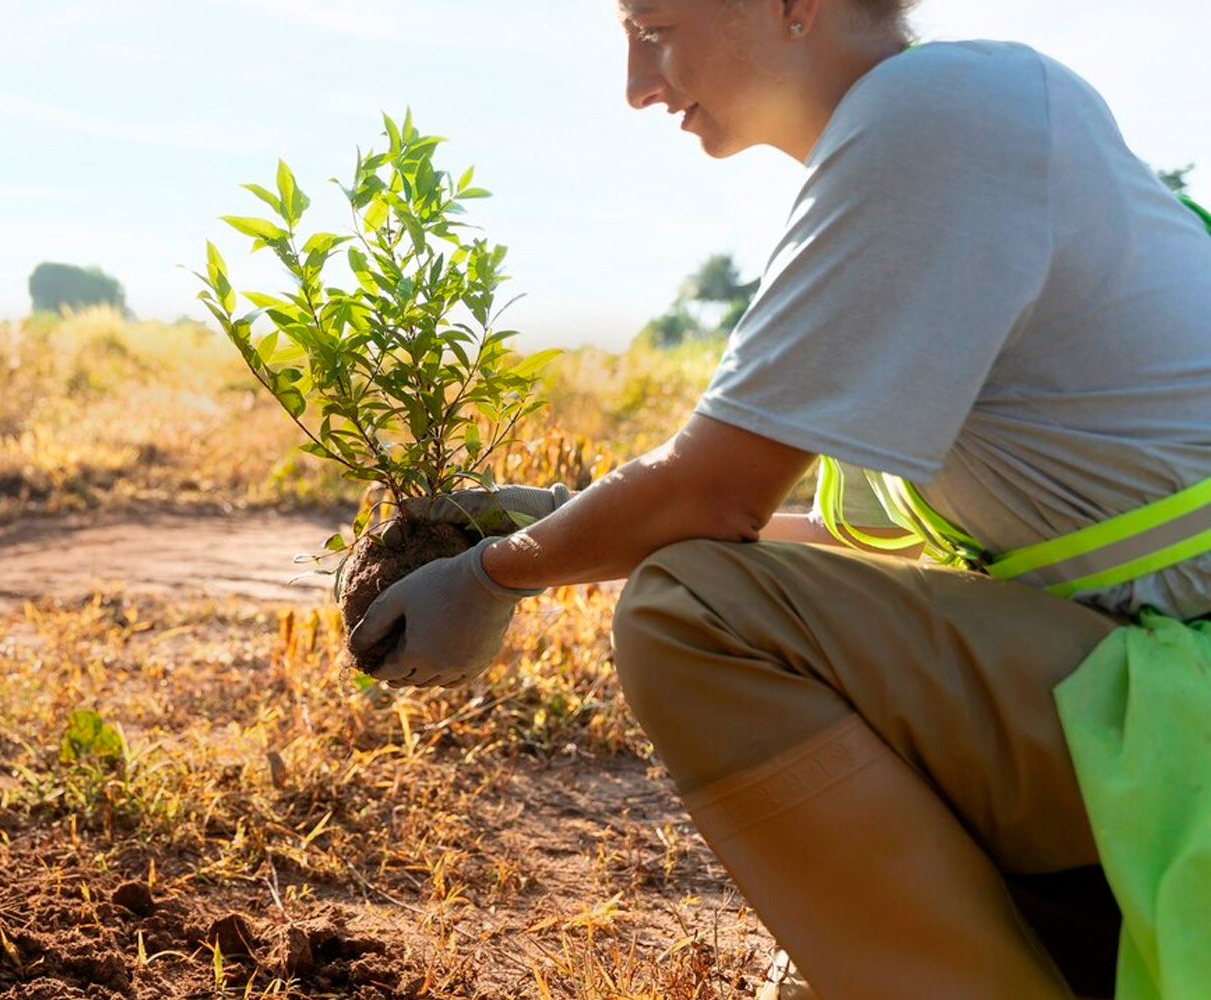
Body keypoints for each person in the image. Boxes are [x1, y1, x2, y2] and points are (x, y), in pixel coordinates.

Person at [351, 0, 1211, 997]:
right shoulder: (963, 125)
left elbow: (714, 498)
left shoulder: (938, 115)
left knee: (689, 611)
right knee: (713, 585)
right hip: (1144, 676)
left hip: (1180, 704)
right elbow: (840, 548)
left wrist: (497, 572)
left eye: (656, 25)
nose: (636, 84)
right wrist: (565, 514)